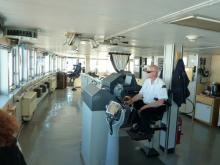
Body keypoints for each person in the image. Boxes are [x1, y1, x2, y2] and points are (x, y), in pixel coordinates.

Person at [127, 65, 168, 139]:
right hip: (147, 103)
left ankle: (146, 132)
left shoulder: (161, 84)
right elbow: (140, 94)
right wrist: (131, 101)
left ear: (155, 73)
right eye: (147, 71)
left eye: (149, 71)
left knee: (144, 111)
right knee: (135, 104)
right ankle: (136, 125)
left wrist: (144, 107)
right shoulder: (147, 81)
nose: (147, 73)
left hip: (157, 106)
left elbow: (160, 102)